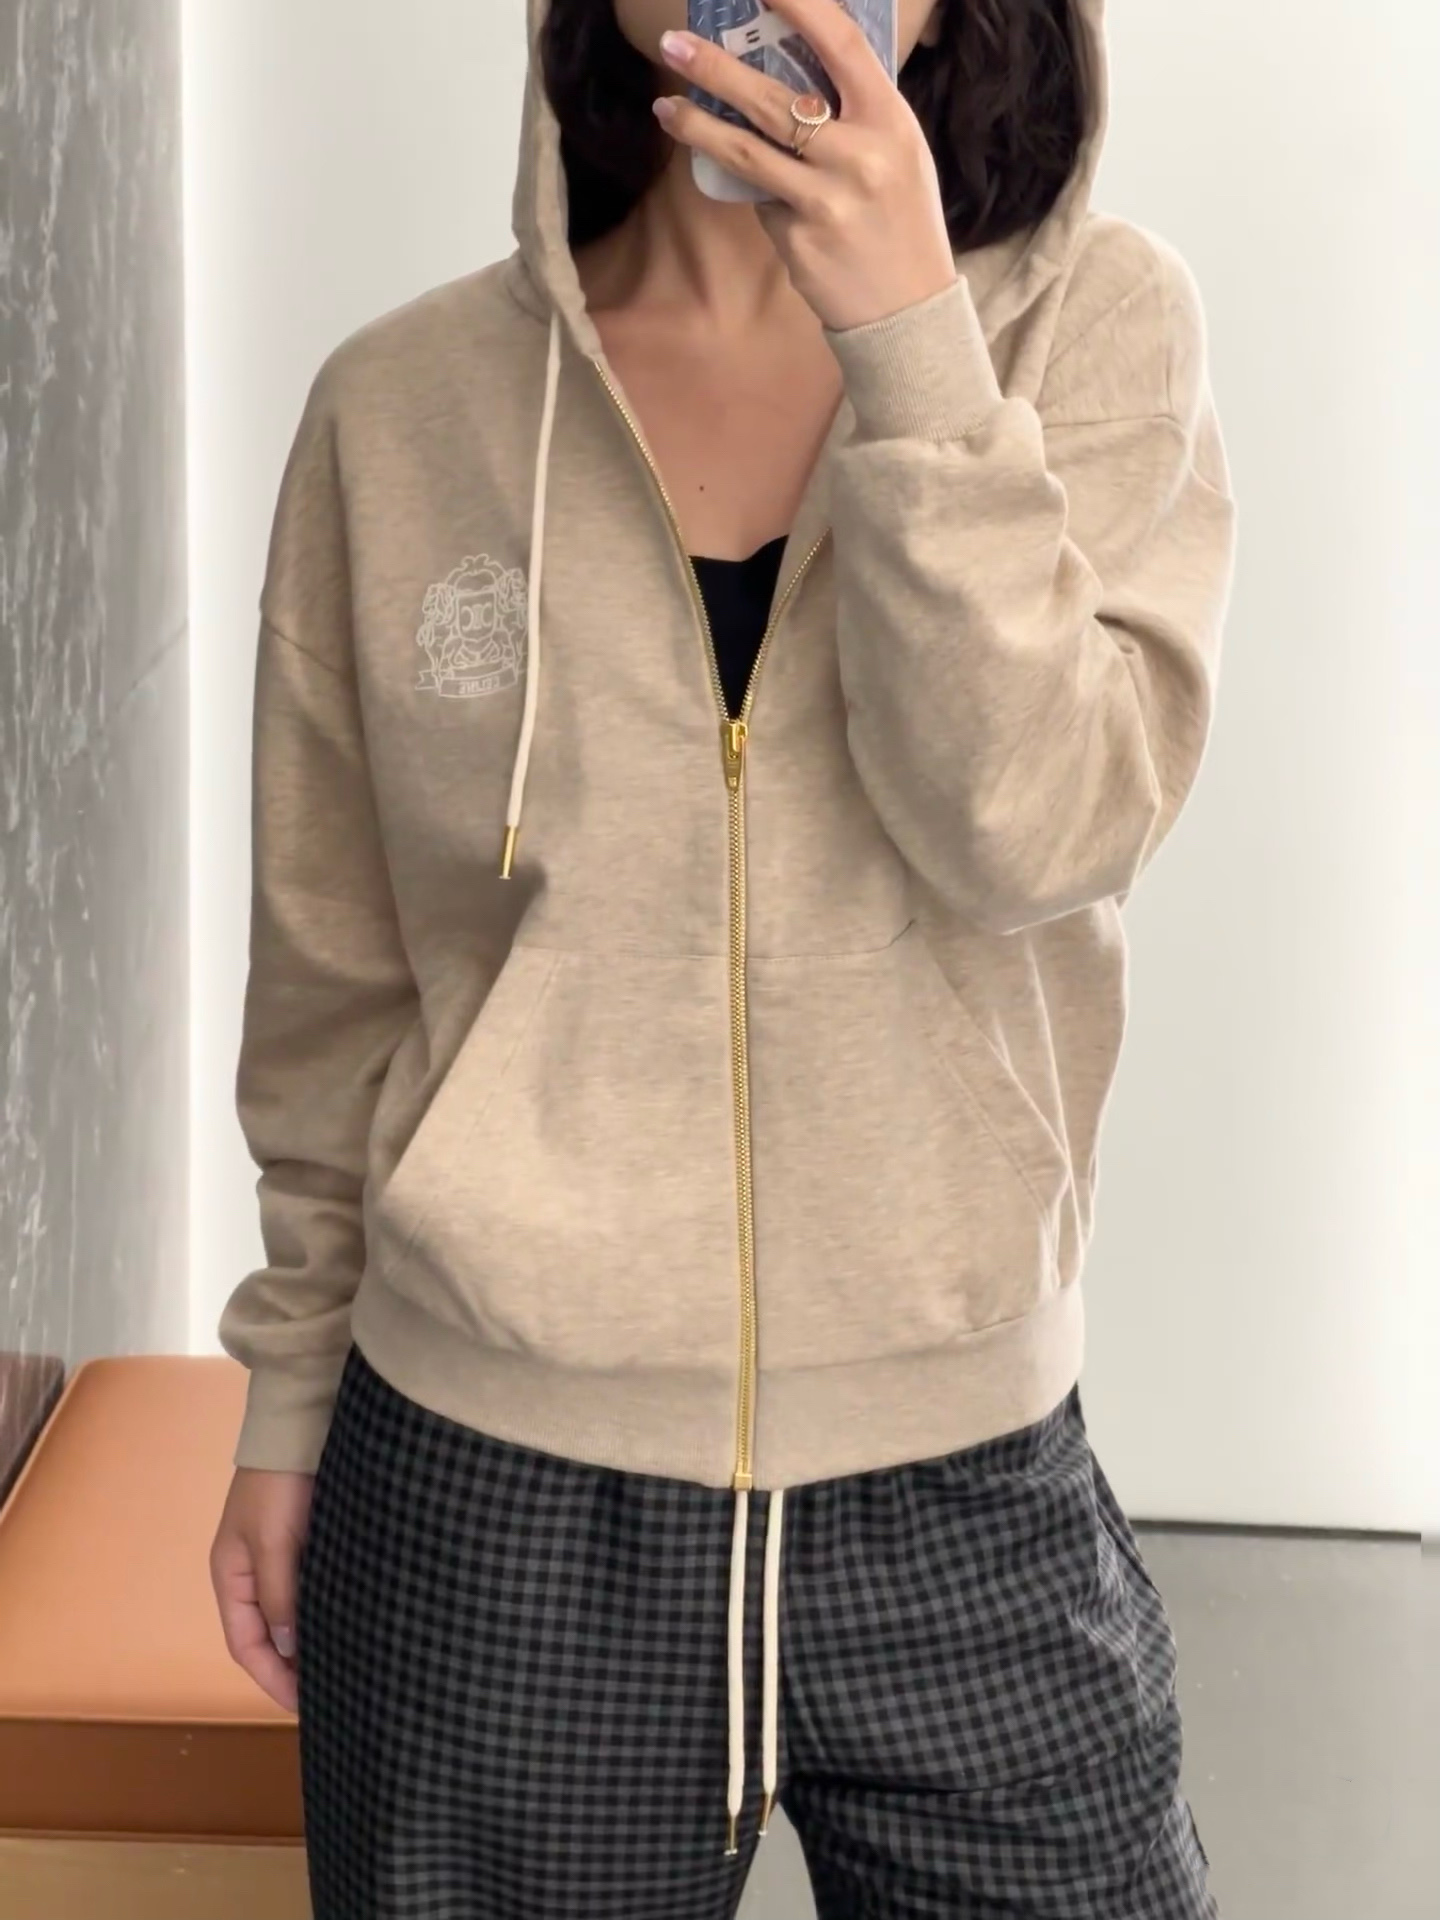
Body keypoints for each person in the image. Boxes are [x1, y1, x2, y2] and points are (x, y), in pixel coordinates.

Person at [209, 0, 1236, 1912]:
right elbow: (334, 978)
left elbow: (1048, 828)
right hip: (493, 1493)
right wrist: (284, 1396)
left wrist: (913, 348)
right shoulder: (404, 405)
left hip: (962, 1484)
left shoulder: (1093, 328)